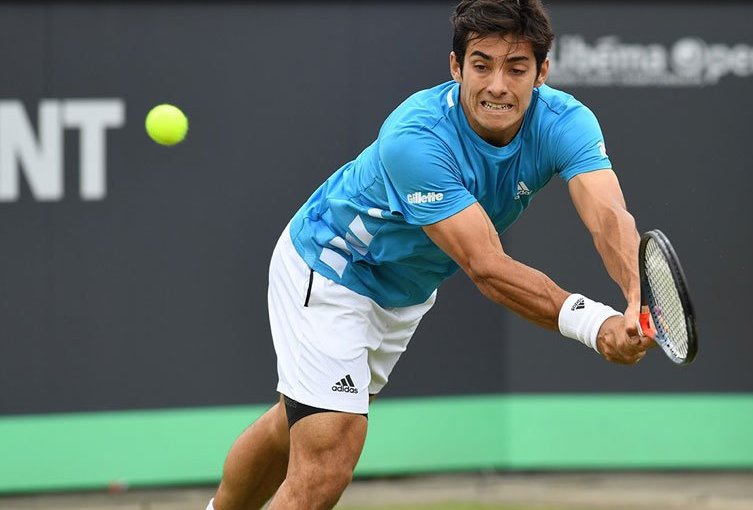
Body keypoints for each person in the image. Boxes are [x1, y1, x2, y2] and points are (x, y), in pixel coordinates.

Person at [206, 1, 655, 508]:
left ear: (542, 72)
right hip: (332, 266)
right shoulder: (416, 138)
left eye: (517, 68)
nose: (498, 86)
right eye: (482, 65)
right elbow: (486, 267)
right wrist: (596, 325)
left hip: (402, 294)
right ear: (455, 66)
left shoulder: (566, 121)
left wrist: (634, 293)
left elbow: (609, 216)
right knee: (329, 456)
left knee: (297, 420)